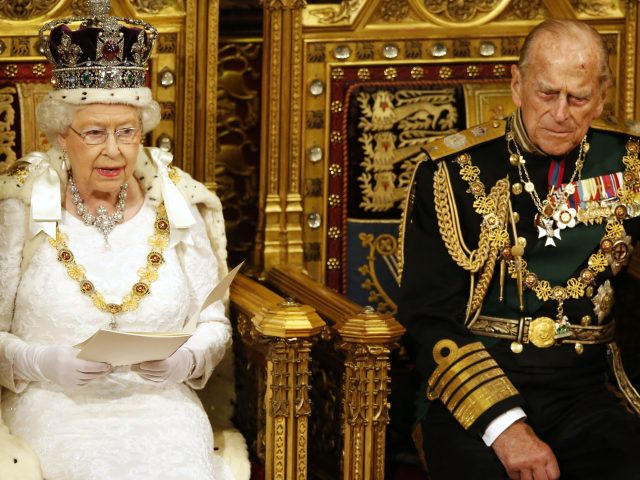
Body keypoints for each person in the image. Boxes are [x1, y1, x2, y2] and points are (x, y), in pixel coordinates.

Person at [0, 2, 239, 479]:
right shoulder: (23, 206)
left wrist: (187, 360)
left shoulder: (175, 203)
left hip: (162, 407)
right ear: (59, 137)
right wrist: (40, 362)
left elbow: (215, 320)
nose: (114, 150)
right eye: (95, 132)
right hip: (54, 406)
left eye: (127, 132)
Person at [398, 19, 640, 480]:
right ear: (517, 84)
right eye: (547, 94)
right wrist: (505, 426)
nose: (562, 113)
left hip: (588, 390)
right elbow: (426, 316)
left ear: (602, 95)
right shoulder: (449, 172)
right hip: (475, 391)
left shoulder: (629, 163)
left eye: (579, 97)